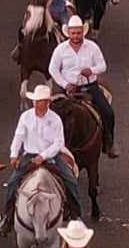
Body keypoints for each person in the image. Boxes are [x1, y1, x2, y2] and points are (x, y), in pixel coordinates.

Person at [5, 84, 83, 224]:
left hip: (52, 155)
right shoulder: (25, 117)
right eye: (35, 100)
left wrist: (43, 156)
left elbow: (58, 143)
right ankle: (8, 216)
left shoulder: (55, 119)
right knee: (12, 182)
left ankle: (76, 214)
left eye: (39, 101)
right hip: (30, 154)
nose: (35, 103)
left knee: (70, 180)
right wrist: (13, 154)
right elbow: (19, 136)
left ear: (47, 102)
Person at [49, 16, 115, 157]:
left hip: (89, 87)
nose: (76, 36)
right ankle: (48, 146)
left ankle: (109, 143)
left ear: (82, 32)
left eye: (78, 33)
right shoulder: (61, 49)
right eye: (73, 33)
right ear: (69, 33)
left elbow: (103, 65)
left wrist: (91, 70)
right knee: (50, 113)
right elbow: (52, 69)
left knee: (108, 112)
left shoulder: (92, 47)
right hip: (67, 89)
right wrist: (65, 84)